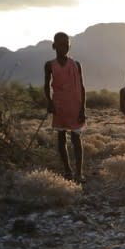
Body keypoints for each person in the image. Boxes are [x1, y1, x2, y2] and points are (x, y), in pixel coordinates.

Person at [43, 31, 86, 183]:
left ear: (69, 46)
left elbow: (82, 87)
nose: (64, 47)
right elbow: (46, 86)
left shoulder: (76, 65)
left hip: (75, 105)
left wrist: (83, 109)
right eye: (60, 44)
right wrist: (49, 102)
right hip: (59, 105)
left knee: (76, 138)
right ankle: (67, 170)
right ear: (54, 46)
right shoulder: (49, 65)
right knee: (61, 138)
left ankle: (79, 172)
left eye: (66, 44)